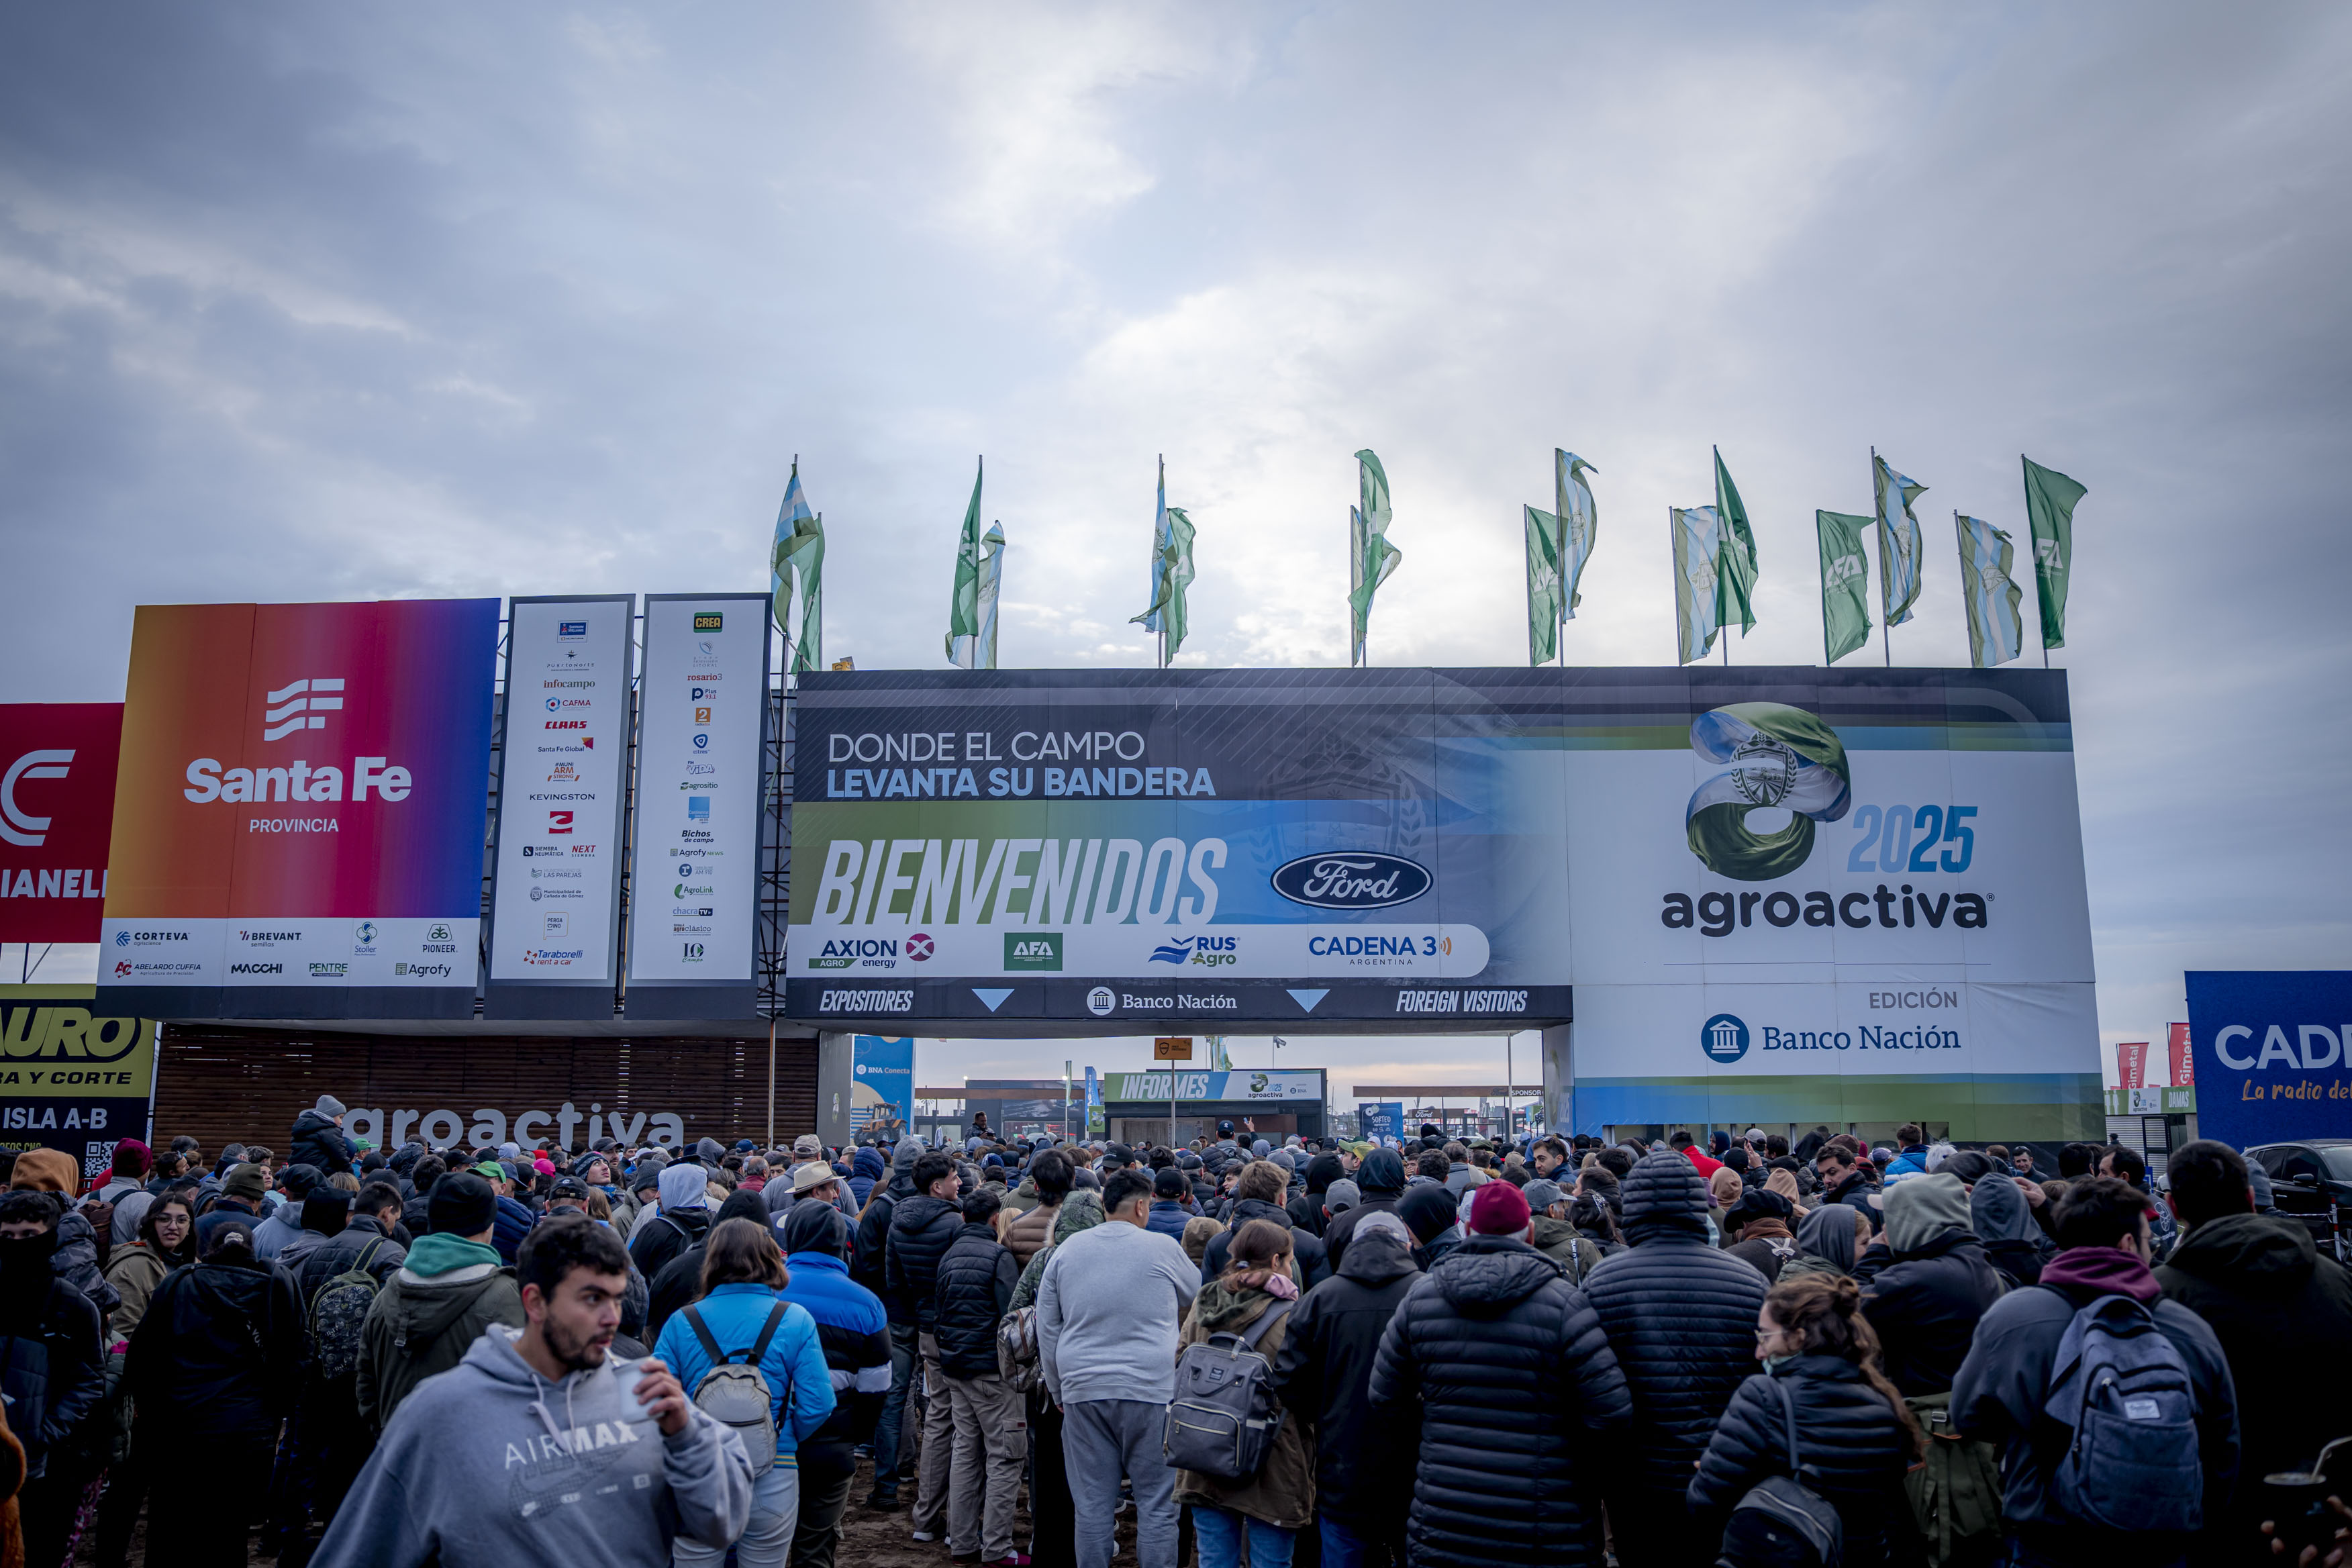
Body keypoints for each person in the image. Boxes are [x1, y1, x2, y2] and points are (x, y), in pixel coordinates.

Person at [316, 1215, 755, 1568]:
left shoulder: (642, 1391)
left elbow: (721, 1524)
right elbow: (361, 1551)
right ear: (535, 1302)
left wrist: (686, 1437)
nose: (612, 1318)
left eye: (617, 1299)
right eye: (592, 1299)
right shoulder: (441, 1413)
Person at [1951, 1176, 2239, 1568]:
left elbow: (1968, 1416)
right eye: (2149, 1242)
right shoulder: (2187, 1327)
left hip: (2049, 1534)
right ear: (2127, 1244)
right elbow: (2223, 1444)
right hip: (2160, 1540)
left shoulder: (2012, 1317)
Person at [1368, 1183, 1631, 1567]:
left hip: (1447, 1511)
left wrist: (1437, 1431)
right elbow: (1610, 1410)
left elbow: (1384, 1395)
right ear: (1530, 1234)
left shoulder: (1421, 1299)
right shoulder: (1564, 1305)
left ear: (1468, 1230)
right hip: (1546, 1520)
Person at [2156, 1140, 2352, 1561]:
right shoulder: (2336, 1277)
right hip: (2330, 1510)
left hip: (2217, 1519)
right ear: (2250, 1197)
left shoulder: (2160, 1298)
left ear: (2173, 1207)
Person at [1583, 1150, 1768, 1567]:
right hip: (1724, 1468)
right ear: (1695, 1203)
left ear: (1634, 1206)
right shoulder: (1747, 1280)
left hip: (1635, 1476)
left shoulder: (1604, 1281)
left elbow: (1590, 1384)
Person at [1687, 1276, 1923, 1567]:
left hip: (1783, 1556)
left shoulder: (1763, 1397)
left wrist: (1713, 1470)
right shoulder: (1884, 1405)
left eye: (1765, 1336)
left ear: (1798, 1337)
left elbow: (1705, 1501)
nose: (1759, 1352)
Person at [1036, 1168, 1200, 1568]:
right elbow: (1198, 1295)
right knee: (1158, 1507)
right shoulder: (1162, 1247)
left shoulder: (1067, 1251)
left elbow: (1047, 1326)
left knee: (1091, 1507)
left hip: (1083, 1387)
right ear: (1142, 1206)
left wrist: (1058, 1388)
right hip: (1152, 1389)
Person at [651, 1218, 834, 1568]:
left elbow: (657, 1402)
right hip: (773, 1471)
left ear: (712, 1261)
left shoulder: (682, 1321)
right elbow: (819, 1404)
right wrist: (782, 1436)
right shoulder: (795, 1319)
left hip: (698, 1473)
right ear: (769, 1258)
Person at [124, 1218, 305, 1568]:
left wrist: (150, 1410)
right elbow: (295, 1359)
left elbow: (142, 1355)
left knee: (170, 1523)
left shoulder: (180, 1284)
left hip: (181, 1425)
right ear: (251, 1249)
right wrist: (272, 1413)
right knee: (229, 1529)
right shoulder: (274, 1289)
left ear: (208, 1248)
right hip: (245, 1429)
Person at [1272, 1208, 1417, 1568]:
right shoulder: (1427, 1295)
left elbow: (1288, 1380)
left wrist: (1326, 1413)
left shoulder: (1321, 1298)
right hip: (1414, 1464)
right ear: (1406, 1246)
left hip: (1341, 1460)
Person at [1173, 1219, 1316, 1568]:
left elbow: (1180, 1361)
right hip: (1273, 1458)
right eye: (1290, 1260)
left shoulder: (1206, 1302)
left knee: (1214, 1559)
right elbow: (1307, 1390)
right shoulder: (1293, 1315)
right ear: (1276, 1261)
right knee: (1271, 1562)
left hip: (1205, 1449)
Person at [356, 1173, 525, 1430]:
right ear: (488, 1226)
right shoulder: (507, 1296)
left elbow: (367, 1386)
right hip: (475, 1451)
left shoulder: (388, 1292)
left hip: (397, 1445)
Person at [775, 1202, 887, 1568]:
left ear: (792, 1238)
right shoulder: (867, 1304)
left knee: (761, 1549)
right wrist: (851, 1437)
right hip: (833, 1447)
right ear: (842, 1242)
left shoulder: (768, 1292)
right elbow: (876, 1387)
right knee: (816, 1548)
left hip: (769, 1442)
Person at [0, 1187, 105, 1568]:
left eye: (29, 1234)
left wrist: (45, 1433)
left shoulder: (73, 1305)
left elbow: (89, 1380)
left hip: (43, 1467)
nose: (18, 1244)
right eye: (8, 1235)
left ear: (49, 1237)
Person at [931, 1190, 1026, 1567]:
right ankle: (997, 1547)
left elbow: (939, 1310)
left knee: (966, 1453)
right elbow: (1011, 1317)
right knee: (1005, 1456)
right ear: (994, 1219)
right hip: (992, 1372)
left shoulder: (949, 1255)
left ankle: (962, 1542)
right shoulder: (999, 1257)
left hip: (956, 1368)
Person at [1857, 1172, 2005, 1399]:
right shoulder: (1993, 1273)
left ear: (1913, 1223)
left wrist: (1876, 1251)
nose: (1886, 1227)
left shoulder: (1910, 1281)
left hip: (1921, 1412)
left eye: (1892, 1218)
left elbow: (1848, 1307)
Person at [887, 1151, 967, 1544]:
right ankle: (959, 1523)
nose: (960, 1183)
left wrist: (920, 1316)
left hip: (924, 1327)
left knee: (938, 1416)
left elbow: (894, 1281)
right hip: (955, 1330)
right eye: (954, 1177)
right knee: (963, 1423)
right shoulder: (954, 1223)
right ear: (937, 1186)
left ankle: (926, 1517)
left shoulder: (897, 1221)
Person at [1201, 1161, 1330, 1289]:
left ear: (1243, 1195)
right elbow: (1320, 1297)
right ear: (1282, 1199)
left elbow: (1208, 1295)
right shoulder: (1309, 1244)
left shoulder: (1216, 1244)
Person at [99, 1189, 195, 1340]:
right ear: (152, 1223)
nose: (173, 1226)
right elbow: (123, 1334)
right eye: (164, 1219)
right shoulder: (129, 1269)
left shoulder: (194, 1264)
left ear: (190, 1225)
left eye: (182, 1220)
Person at [1320, 1148, 1406, 1275]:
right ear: (1400, 1174)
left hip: (1349, 1286)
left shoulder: (1342, 1222)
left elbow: (1325, 1268)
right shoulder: (1413, 1217)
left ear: (1363, 1174)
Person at [630, 1163, 713, 1282]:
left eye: (663, 1189)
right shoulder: (716, 1223)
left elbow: (630, 1274)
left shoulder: (655, 1230)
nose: (657, 1196)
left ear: (677, 1190)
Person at [1969, 1168, 2050, 1288]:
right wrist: (2045, 1207)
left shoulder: (1963, 1273)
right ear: (2024, 1209)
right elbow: (2079, 1247)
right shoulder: (2052, 1267)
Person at [1520, 1179, 1605, 1281]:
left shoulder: (1511, 1251)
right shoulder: (1581, 1248)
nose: (1564, 1211)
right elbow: (1601, 1287)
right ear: (1552, 1210)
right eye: (1563, 1206)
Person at [1779, 1202, 1870, 1283]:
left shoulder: (1838, 1278)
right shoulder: (1823, 1289)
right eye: (1865, 1242)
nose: (1870, 1247)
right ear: (1837, 1245)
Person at [1815, 1140, 1883, 1235]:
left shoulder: (1851, 1201)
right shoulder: (1867, 1192)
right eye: (1822, 1175)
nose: (1826, 1180)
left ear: (1852, 1169)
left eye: (1832, 1172)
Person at [291, 1095, 357, 1177]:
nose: (341, 1122)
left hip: (298, 1175)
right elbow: (341, 1158)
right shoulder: (331, 1131)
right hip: (320, 1177)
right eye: (340, 1117)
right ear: (330, 1115)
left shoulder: (302, 1130)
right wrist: (352, 1178)